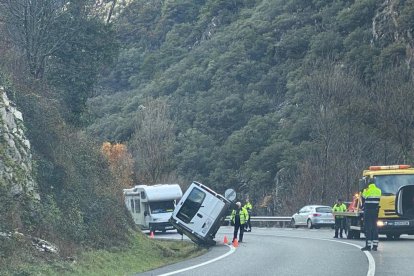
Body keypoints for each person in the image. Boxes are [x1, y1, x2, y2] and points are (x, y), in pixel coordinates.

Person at [361, 178, 382, 251]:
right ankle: (375, 246)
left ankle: (368, 246)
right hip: (375, 211)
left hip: (368, 211)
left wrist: (363, 190)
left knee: (368, 228)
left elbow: (363, 196)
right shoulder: (379, 190)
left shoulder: (366, 190)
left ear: (369, 183)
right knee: (375, 228)